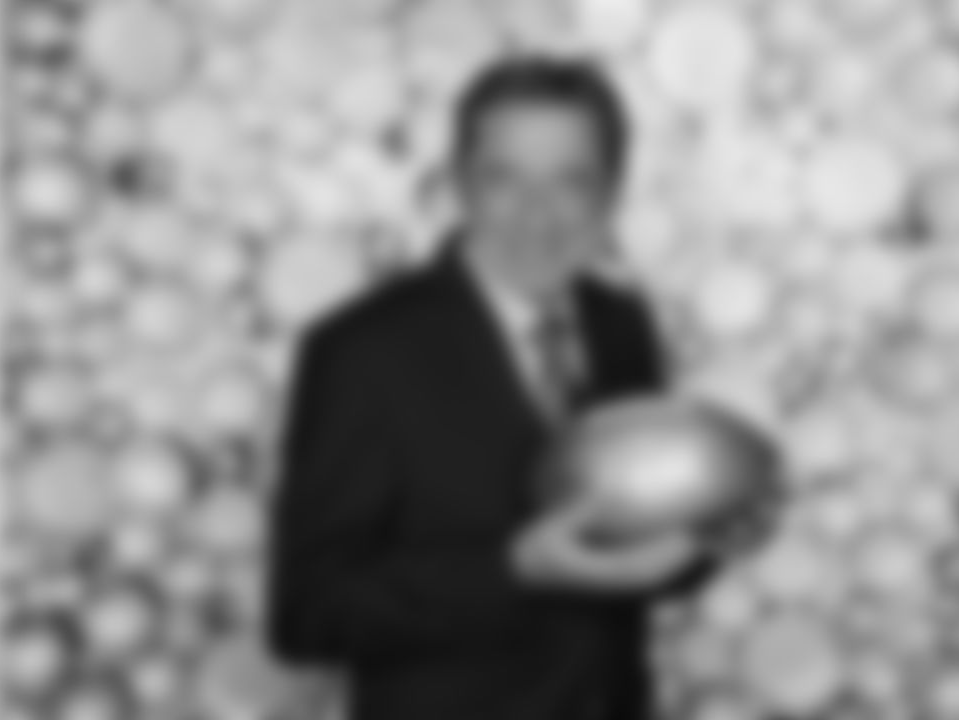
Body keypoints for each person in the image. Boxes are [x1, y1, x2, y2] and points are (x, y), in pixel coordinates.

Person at [265, 55, 718, 720]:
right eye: (504, 178)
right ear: (461, 184)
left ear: (611, 193)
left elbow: (627, 546)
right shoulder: (360, 352)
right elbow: (307, 615)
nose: (538, 214)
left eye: (571, 180)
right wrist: (511, 570)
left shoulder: (622, 325)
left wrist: (709, 531)